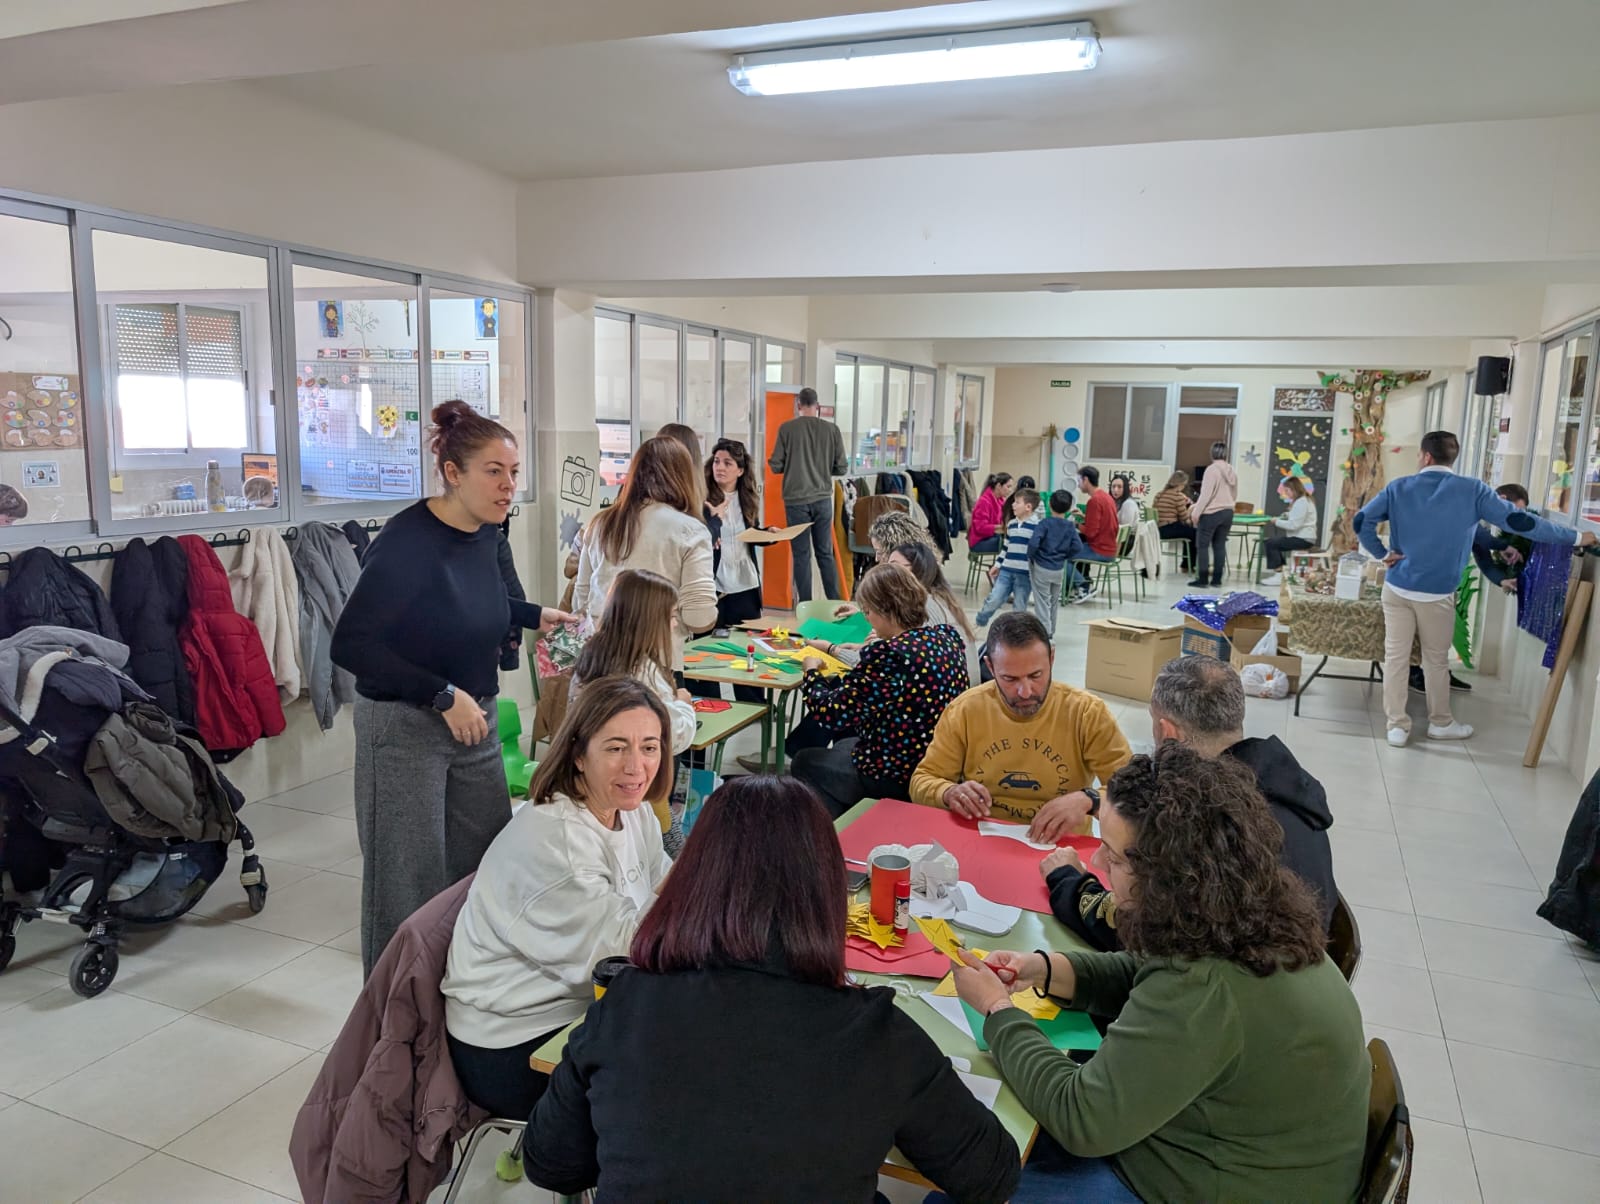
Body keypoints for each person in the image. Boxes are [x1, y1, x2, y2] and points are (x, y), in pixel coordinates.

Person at [524, 775, 1021, 1203]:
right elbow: (991, 1176)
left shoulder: (628, 1001)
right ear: (827, 893)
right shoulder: (879, 1034)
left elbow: (550, 1164)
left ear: (693, 879)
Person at [951, 744, 1369, 1204]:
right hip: (1257, 1157)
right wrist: (1048, 969)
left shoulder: (1204, 988)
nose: (1097, 865)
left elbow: (1081, 1119)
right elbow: (1149, 970)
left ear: (1169, 874)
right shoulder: (1246, 912)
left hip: (1218, 1186)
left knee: (966, 1178)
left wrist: (999, 1010)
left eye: (1114, 856)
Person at [332, 401, 568, 976]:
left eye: (514, 472)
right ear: (453, 473)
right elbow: (352, 644)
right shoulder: (406, 542)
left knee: (485, 863)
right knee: (406, 883)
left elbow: (473, 598)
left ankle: (464, 989)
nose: (509, 485)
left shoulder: (486, 532)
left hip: (473, 719)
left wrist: (533, 614)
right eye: (494, 471)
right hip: (405, 725)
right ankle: (393, 1010)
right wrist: (440, 694)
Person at [441, 677, 674, 1119]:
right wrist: (701, 870)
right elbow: (622, 955)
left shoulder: (633, 811)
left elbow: (659, 884)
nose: (636, 766)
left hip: (578, 1003)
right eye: (616, 747)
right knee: (679, 1076)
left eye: (649, 747)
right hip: (512, 1042)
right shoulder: (558, 838)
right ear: (578, 754)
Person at [1045, 655, 1338, 950]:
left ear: (1168, 733)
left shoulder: (1210, 823)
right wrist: (1097, 802)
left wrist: (1070, 882)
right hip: (1305, 956)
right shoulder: (1278, 783)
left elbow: (1144, 933)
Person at [1356, 430, 1592, 748]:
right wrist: (1575, 537)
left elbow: (1361, 521)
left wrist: (1382, 554)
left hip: (1397, 588)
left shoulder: (1398, 487)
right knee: (1435, 661)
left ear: (1425, 456)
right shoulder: (1473, 490)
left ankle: (1396, 726)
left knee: (1396, 658)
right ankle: (1440, 723)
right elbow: (1521, 522)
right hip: (1437, 594)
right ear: (1452, 458)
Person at [910, 612, 1131, 841]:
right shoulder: (965, 710)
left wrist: (1090, 800)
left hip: (1062, 845)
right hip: (985, 838)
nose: (1025, 692)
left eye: (1035, 675)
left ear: (1051, 658)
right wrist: (948, 792)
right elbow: (922, 781)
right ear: (990, 667)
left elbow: (1135, 790)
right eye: (1010, 679)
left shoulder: (1087, 713)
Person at [790, 565, 968, 817]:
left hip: (896, 771)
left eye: (868, 612)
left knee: (804, 760)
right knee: (846, 743)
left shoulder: (889, 655)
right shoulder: (945, 638)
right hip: (939, 763)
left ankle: (843, 830)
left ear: (885, 611)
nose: (867, 619)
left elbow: (830, 712)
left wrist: (811, 672)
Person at [570, 568, 698, 835]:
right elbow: (672, 735)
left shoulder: (593, 654)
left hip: (595, 780)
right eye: (671, 616)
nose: (674, 625)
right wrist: (683, 705)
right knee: (671, 849)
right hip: (636, 791)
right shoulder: (642, 672)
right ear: (650, 620)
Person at [573, 435, 717, 670]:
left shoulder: (600, 523)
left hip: (599, 661)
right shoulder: (690, 530)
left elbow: (581, 598)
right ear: (684, 477)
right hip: (657, 663)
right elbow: (699, 617)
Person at [685, 436, 766, 706]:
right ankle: (710, 703)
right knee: (707, 647)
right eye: (717, 461)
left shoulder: (748, 498)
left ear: (740, 470)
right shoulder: (702, 498)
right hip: (714, 582)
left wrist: (767, 534)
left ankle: (752, 705)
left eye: (728, 463)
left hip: (744, 582)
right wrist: (712, 521)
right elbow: (696, 536)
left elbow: (749, 534)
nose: (720, 467)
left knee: (746, 647)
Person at [767, 387, 847, 602]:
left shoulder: (787, 429)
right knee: (825, 554)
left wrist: (794, 464)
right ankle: (835, 603)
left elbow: (775, 465)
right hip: (823, 500)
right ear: (817, 405)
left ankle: (805, 604)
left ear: (798, 405)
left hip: (796, 502)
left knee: (801, 556)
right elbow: (841, 468)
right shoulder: (832, 430)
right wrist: (822, 468)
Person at [887, 541, 979, 684]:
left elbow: (903, 660)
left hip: (952, 690)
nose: (887, 573)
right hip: (960, 687)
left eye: (894, 567)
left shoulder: (924, 606)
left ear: (918, 569)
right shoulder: (940, 598)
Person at [975, 487, 1039, 627]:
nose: (1013, 505)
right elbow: (1005, 548)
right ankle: (980, 621)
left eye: (1017, 502)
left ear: (1028, 507)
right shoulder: (1011, 524)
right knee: (994, 599)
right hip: (1006, 571)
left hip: (1024, 574)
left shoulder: (1037, 527)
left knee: (1019, 607)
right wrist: (997, 565)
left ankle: (1016, 631)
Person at [1027, 490, 1085, 634]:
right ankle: (1051, 630)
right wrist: (1064, 556)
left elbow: (1033, 543)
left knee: (1042, 601)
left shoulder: (1044, 524)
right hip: (1058, 569)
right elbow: (1078, 546)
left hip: (1042, 567)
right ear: (1069, 507)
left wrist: (1032, 557)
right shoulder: (1070, 526)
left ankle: (1045, 633)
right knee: (1054, 602)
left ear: (1049, 504)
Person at [1189, 440, 1238, 587]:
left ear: (1211, 453)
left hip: (1211, 513)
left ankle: (1203, 579)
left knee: (1203, 545)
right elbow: (1234, 494)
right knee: (1220, 545)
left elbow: (1206, 495)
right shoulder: (1232, 470)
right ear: (1226, 454)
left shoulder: (1211, 470)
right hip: (1228, 512)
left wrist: (1196, 513)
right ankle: (1217, 580)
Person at [1258, 475, 1318, 585]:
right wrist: (1286, 515)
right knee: (1273, 542)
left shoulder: (1301, 502)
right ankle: (1280, 572)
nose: (1286, 493)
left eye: (1287, 491)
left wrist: (1276, 521)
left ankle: (1279, 575)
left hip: (1303, 539)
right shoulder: (1303, 500)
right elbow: (1297, 516)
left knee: (1271, 543)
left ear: (1294, 489)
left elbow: (1294, 525)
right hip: (1304, 537)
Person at [1152, 471, 1195, 572]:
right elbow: (1184, 518)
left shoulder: (1159, 494)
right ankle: (1188, 565)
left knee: (1187, 532)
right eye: (1184, 484)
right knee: (1195, 534)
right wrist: (1190, 510)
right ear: (1180, 484)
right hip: (1169, 528)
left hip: (1157, 529)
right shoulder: (1178, 496)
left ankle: (1186, 565)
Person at [1075, 466, 1118, 564]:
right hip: (1110, 548)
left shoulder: (1094, 501)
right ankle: (1083, 573)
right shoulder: (1106, 497)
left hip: (1100, 550)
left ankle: (1079, 575)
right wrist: (1084, 517)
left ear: (1085, 480)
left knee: (1064, 555)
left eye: (1079, 481)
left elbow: (1091, 533)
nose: (1078, 485)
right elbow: (1103, 522)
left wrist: (1076, 525)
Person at [967, 472, 1014, 556]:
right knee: (1011, 544)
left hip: (990, 537)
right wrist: (1001, 527)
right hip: (979, 542)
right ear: (999, 486)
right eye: (1008, 486)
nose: (1010, 490)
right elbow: (980, 528)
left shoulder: (1000, 501)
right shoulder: (984, 502)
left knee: (1013, 540)